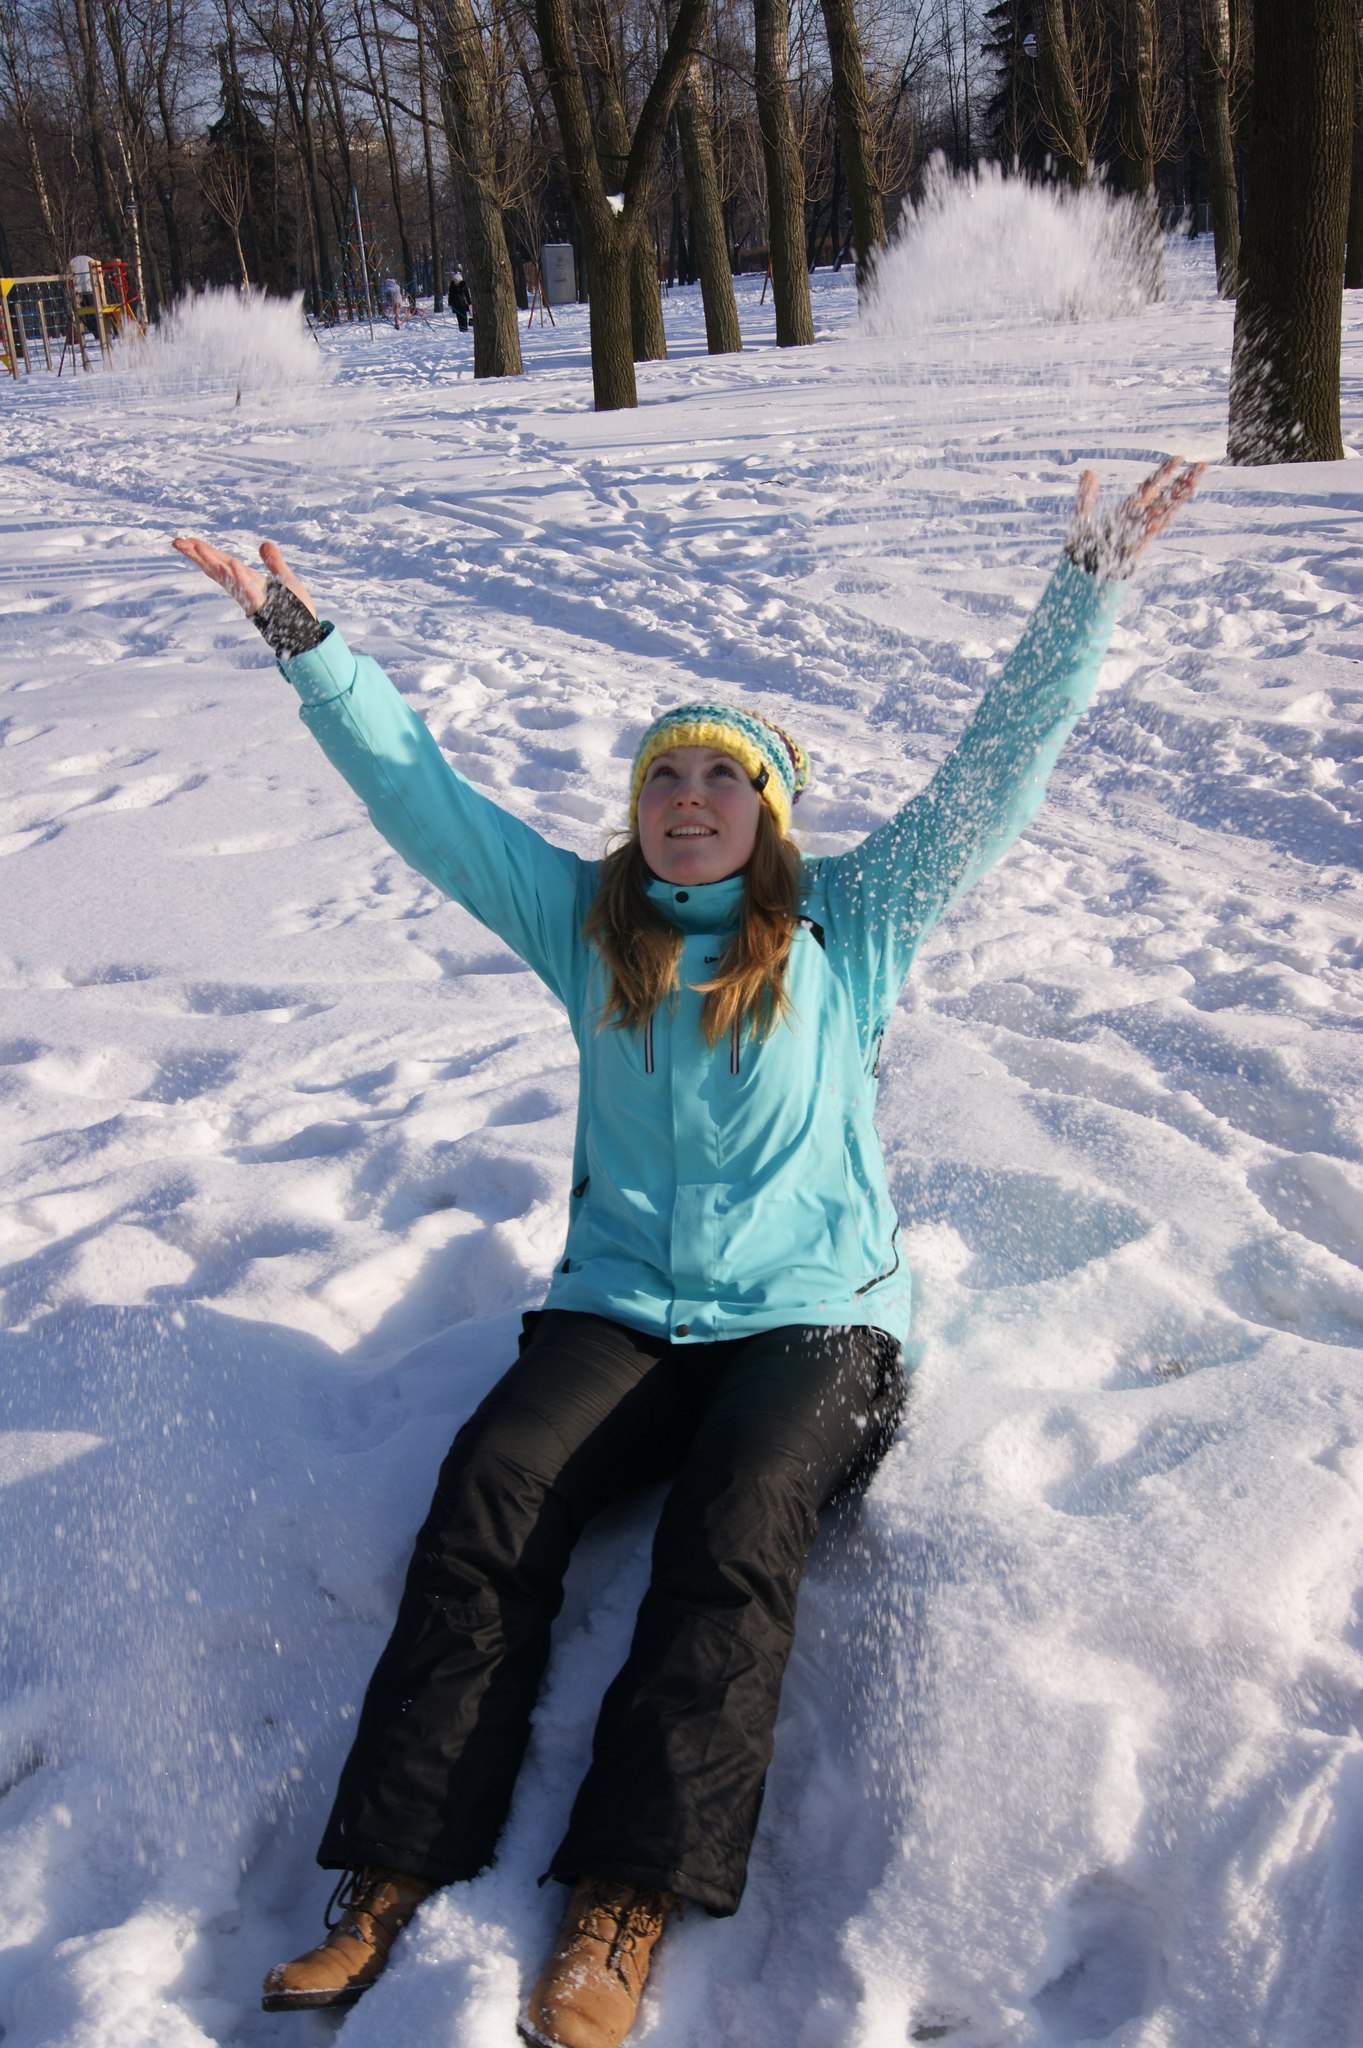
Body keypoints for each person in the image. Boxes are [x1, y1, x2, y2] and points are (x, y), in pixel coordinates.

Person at [172, 455, 1201, 2048]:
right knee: (494, 1490)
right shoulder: (592, 928)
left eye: (725, 778)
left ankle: (625, 1901)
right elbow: (427, 803)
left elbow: (994, 774)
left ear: (769, 815)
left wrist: (1085, 593)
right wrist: (311, 645)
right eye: (666, 777)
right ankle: (393, 1866)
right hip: (623, 1312)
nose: (691, 798)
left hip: (816, 1326)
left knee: (734, 1524)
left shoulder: (852, 923)